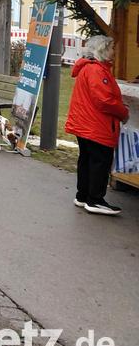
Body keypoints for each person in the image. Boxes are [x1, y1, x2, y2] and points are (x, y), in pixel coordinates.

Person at [65, 35, 130, 215]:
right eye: (111, 48)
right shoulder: (97, 70)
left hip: (85, 123)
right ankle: (95, 200)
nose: (114, 51)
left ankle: (83, 196)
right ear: (103, 50)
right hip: (96, 125)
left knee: (87, 160)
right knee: (100, 162)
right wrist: (123, 112)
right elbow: (104, 100)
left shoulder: (89, 67)